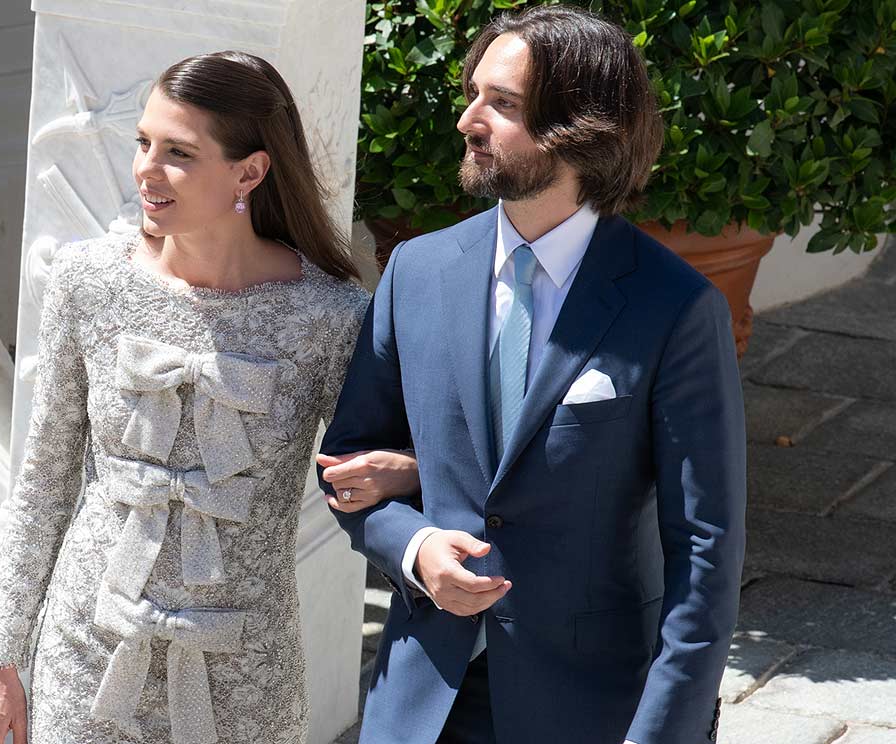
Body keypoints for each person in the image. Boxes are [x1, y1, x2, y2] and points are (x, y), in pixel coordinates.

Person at [319, 6, 746, 744]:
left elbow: (706, 551)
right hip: (423, 699)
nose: (467, 118)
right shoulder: (415, 272)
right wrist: (416, 549)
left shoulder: (673, 307)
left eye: (502, 104)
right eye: (473, 93)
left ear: (579, 129)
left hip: (590, 709)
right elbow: (348, 470)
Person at [0, 51, 420, 744]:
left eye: (178, 152)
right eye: (143, 142)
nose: (146, 169)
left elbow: (369, 470)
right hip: (85, 655)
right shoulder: (85, 282)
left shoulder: (330, 317)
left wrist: (408, 470)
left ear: (250, 171)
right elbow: (43, 485)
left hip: (245, 673)